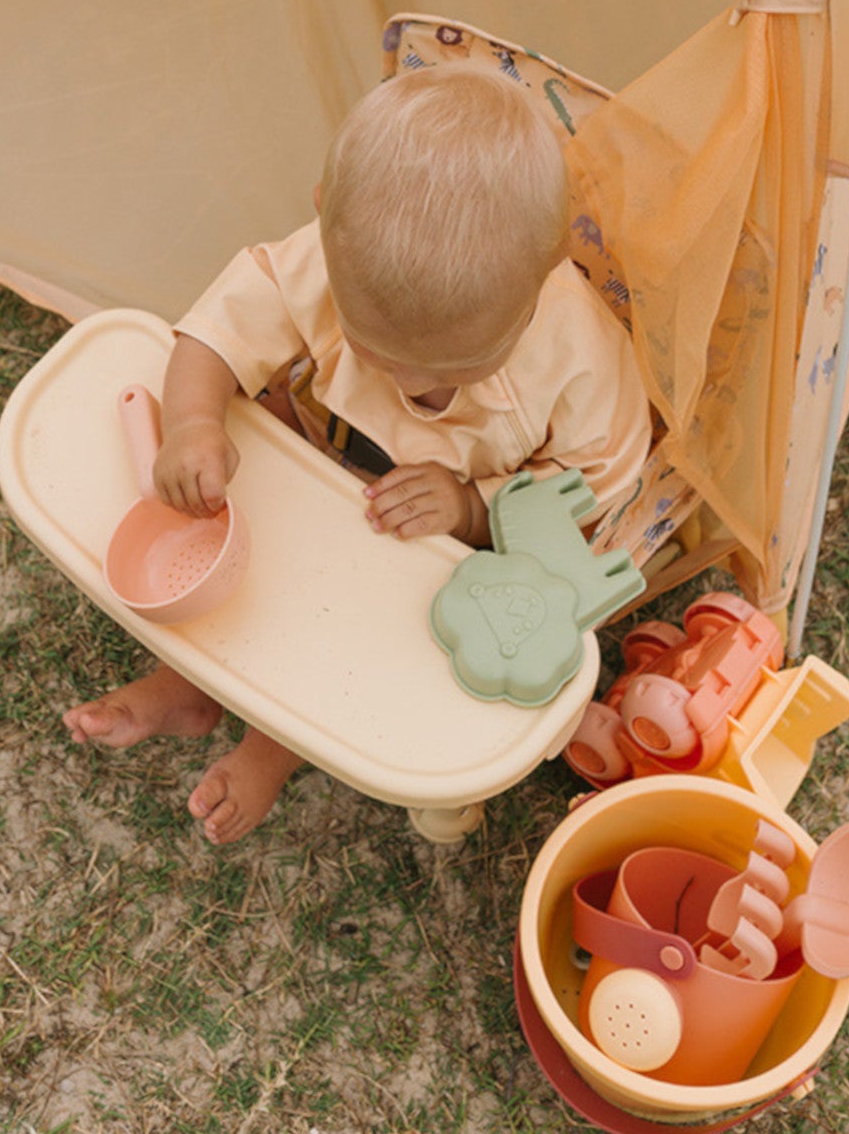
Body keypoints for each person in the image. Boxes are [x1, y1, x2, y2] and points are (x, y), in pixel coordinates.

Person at [63, 66, 651, 843]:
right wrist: (194, 423)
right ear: (323, 218)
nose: (407, 382)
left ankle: (270, 749)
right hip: (319, 453)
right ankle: (190, 685)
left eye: (451, 370)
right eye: (378, 351)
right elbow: (220, 326)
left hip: (434, 543)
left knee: (364, 631)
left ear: (542, 282)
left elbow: (595, 489)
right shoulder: (329, 256)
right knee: (247, 544)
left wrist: (474, 509)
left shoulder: (576, 355)